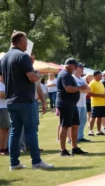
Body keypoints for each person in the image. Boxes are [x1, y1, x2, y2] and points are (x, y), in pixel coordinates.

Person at [1, 31, 53, 169]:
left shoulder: (4, 58)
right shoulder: (23, 57)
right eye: (26, 41)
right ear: (21, 41)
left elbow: (1, 78)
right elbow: (32, 77)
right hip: (25, 100)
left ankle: (14, 163)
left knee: (15, 132)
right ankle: (36, 161)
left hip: (11, 101)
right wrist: (37, 73)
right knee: (31, 131)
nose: (26, 44)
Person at [56, 58, 88, 156]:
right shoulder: (65, 74)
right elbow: (68, 89)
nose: (75, 68)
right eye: (75, 66)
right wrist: (80, 88)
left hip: (71, 104)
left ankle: (75, 147)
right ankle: (63, 150)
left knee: (75, 125)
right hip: (66, 103)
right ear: (70, 65)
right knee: (65, 126)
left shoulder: (68, 74)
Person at [73, 63, 90, 142]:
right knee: (75, 122)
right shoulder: (73, 78)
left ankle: (80, 136)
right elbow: (76, 89)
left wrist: (81, 90)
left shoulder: (82, 79)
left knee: (83, 120)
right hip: (76, 103)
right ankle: (73, 138)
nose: (82, 70)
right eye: (80, 68)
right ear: (76, 68)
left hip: (83, 103)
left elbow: (89, 89)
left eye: (82, 68)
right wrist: (82, 89)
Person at [88, 71, 105, 136]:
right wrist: (100, 95)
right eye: (100, 75)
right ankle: (90, 131)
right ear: (96, 76)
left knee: (100, 117)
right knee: (93, 117)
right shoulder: (92, 83)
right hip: (95, 103)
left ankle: (98, 131)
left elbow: (103, 91)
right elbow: (89, 93)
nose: (101, 76)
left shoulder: (100, 83)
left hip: (102, 103)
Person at [0, 74, 9, 156]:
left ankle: (4, 147)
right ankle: (1, 148)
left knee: (6, 129)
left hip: (5, 108)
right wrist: (11, 96)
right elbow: (1, 94)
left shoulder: (4, 84)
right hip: (1, 108)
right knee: (2, 129)